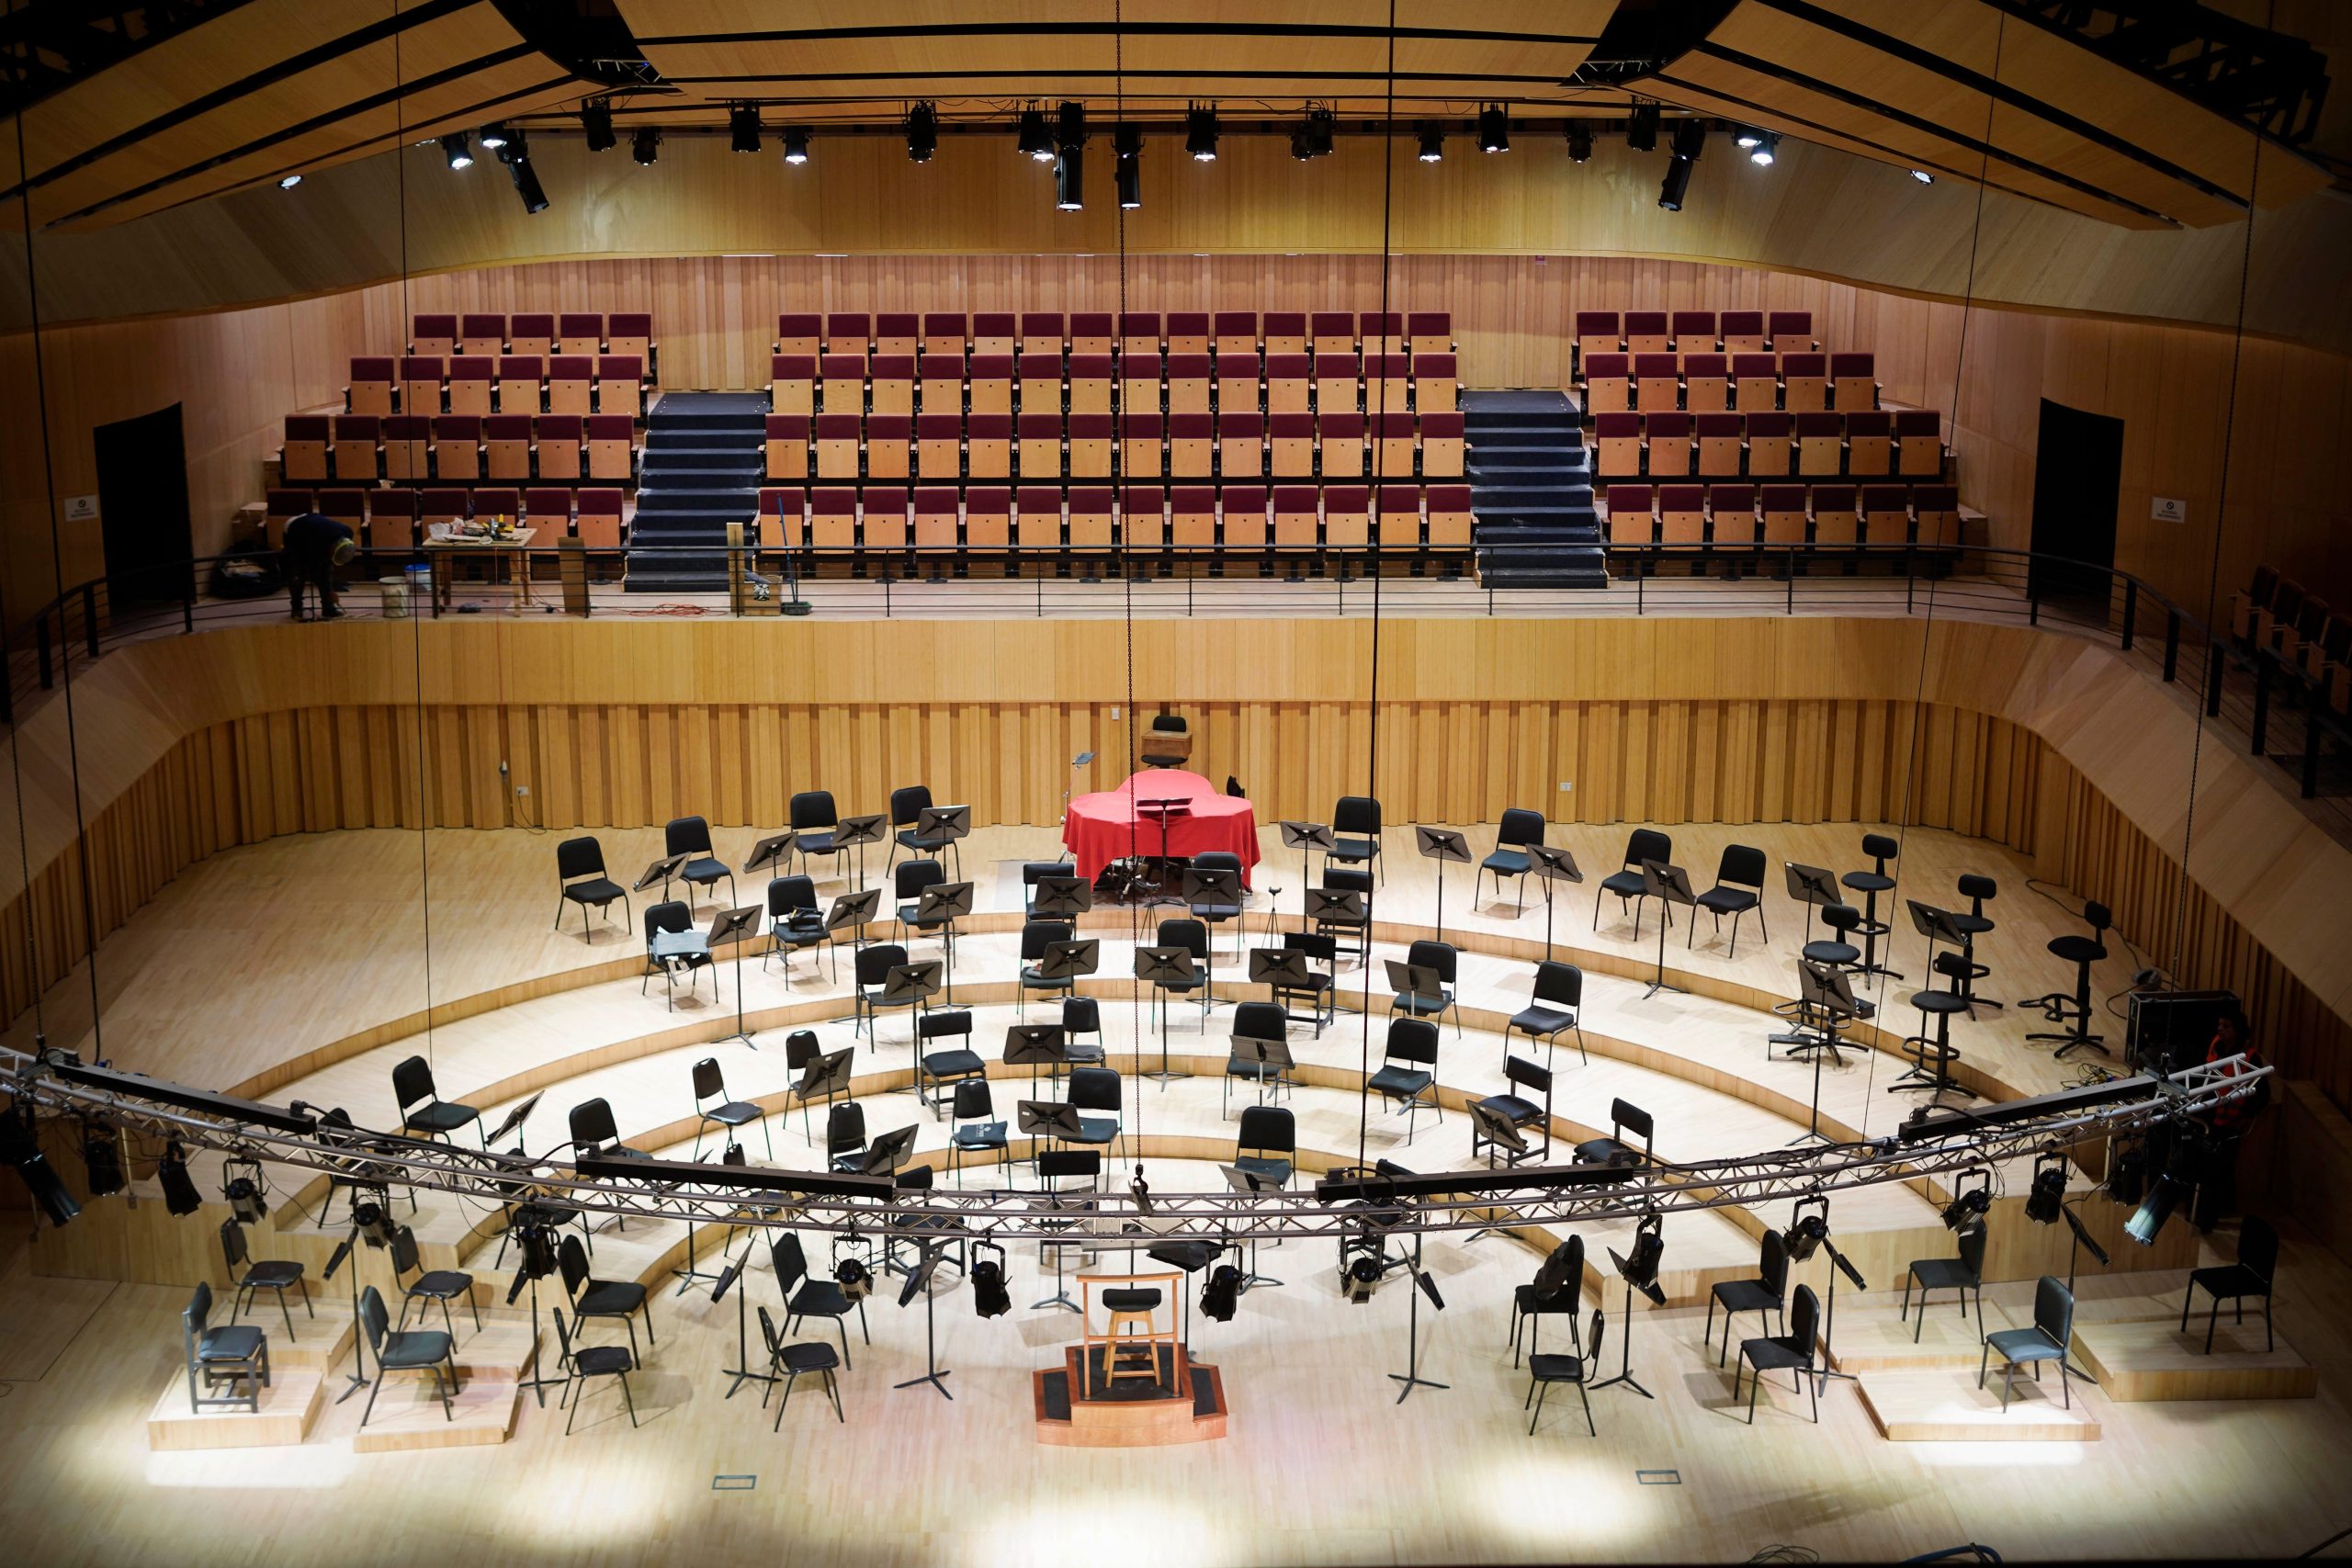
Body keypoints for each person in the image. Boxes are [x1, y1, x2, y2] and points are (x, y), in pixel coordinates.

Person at [281, 510, 356, 620]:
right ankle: (296, 607)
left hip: (314, 525)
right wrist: (330, 591)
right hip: (295, 529)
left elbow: (326, 566)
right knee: (297, 571)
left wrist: (330, 590)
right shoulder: (315, 544)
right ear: (332, 549)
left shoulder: (347, 532)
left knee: (326, 569)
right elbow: (316, 571)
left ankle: (328, 609)